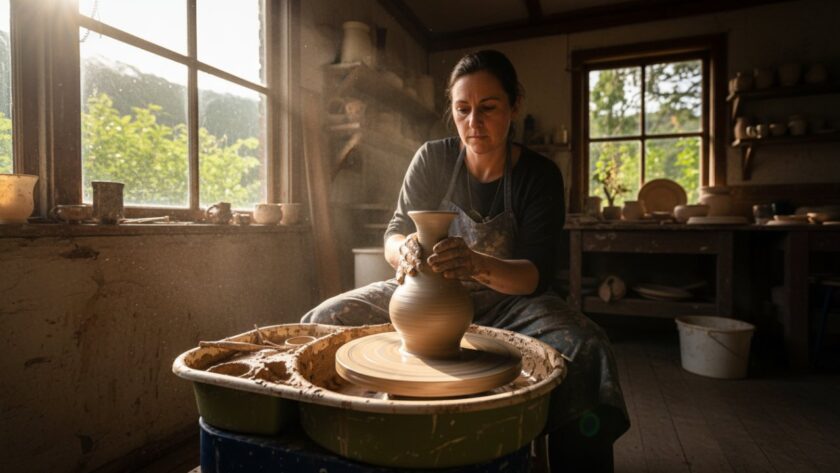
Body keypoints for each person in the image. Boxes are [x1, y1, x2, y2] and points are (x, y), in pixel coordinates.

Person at [302, 49, 628, 472]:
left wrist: (476, 264)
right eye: (463, 109)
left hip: (511, 302)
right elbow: (394, 230)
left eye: (489, 108)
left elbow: (536, 274)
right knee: (325, 318)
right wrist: (403, 251)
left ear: (515, 106)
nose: (474, 123)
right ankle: (333, 452)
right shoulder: (432, 159)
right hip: (423, 292)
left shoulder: (539, 175)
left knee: (588, 347)